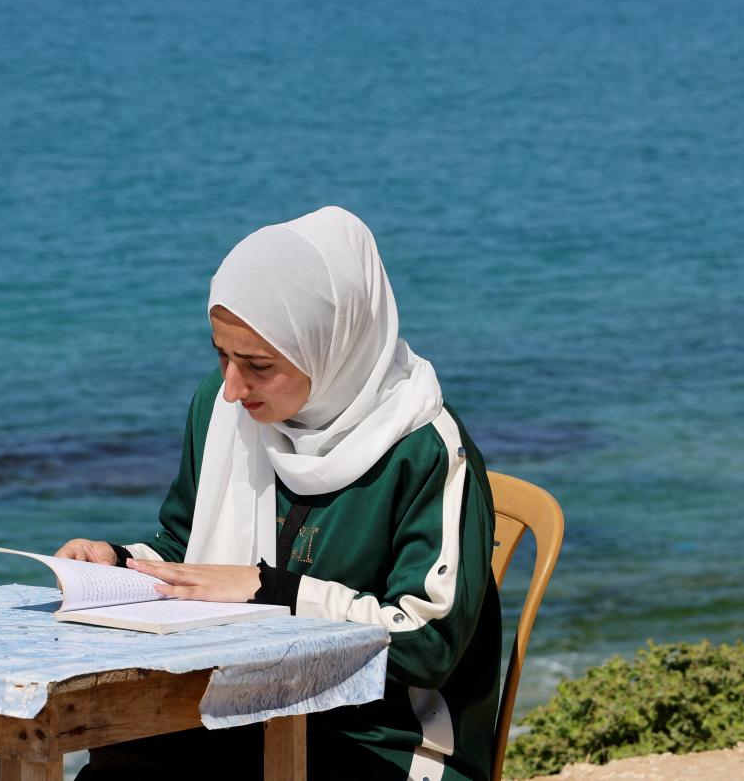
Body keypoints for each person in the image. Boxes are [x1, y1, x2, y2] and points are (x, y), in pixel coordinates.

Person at [58, 206, 500, 781]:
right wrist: (117, 562)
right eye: (222, 355)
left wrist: (275, 591)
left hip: (381, 740)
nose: (233, 387)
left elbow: (428, 643)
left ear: (332, 344)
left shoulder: (424, 450)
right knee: (117, 767)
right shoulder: (219, 411)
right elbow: (186, 544)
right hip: (245, 714)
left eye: (258, 365)